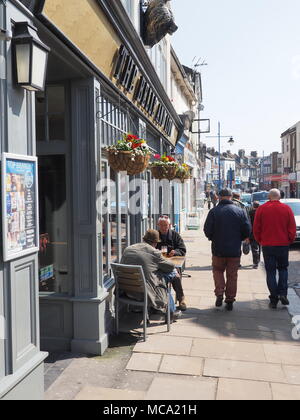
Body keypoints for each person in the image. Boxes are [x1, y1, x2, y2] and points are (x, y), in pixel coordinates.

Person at [204, 188, 251, 311]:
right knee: (232, 275)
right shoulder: (240, 211)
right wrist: (239, 238)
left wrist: (212, 237)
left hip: (218, 248)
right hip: (234, 249)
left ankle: (219, 293)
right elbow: (247, 230)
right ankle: (230, 299)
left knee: (218, 271)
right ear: (231, 197)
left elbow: (207, 230)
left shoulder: (214, 211)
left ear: (219, 197)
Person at [121, 229, 181, 321]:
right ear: (155, 243)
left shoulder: (128, 249)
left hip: (126, 291)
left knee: (155, 274)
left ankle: (162, 308)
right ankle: (171, 312)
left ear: (144, 239)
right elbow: (170, 266)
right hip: (146, 293)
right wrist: (160, 257)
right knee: (171, 274)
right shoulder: (154, 252)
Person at [253, 189, 296, 309]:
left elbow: (256, 228)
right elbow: (292, 228)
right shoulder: (286, 209)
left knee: (270, 271)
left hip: (267, 244)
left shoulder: (261, 209)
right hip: (282, 244)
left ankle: (274, 297)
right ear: (279, 197)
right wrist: (289, 240)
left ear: (268, 197)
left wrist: (260, 240)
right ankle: (283, 293)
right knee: (283, 269)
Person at [156, 216, 187, 311]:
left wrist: (175, 252)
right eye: (161, 225)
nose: (163, 227)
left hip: (172, 263)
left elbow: (183, 249)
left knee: (176, 277)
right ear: (158, 225)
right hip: (158, 264)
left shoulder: (175, 235)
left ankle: (181, 299)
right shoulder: (155, 235)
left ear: (169, 225)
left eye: (165, 225)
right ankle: (160, 300)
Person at [248, 201, 261, 269]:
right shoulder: (261, 212)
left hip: (253, 232)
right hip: (260, 232)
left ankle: (255, 263)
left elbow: (248, 222)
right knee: (259, 247)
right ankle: (258, 261)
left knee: (254, 248)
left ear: (253, 206)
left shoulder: (250, 212)